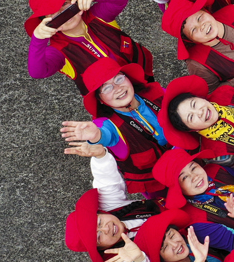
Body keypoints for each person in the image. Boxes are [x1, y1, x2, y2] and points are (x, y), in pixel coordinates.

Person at [59, 59, 168, 195]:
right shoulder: (109, 124)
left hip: (188, 163)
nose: (118, 88)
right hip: (159, 187)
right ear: (100, 100)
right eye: (107, 88)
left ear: (128, 78)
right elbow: (106, 134)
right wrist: (96, 136)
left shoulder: (158, 93)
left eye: (119, 79)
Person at [26, 0, 153, 95]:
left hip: (142, 74)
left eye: (64, 4)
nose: (62, 13)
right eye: (52, 13)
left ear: (76, 2)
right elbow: (38, 72)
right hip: (112, 97)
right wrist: (38, 39)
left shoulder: (98, 16)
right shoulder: (58, 50)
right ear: (44, 23)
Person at [63, 156, 160, 262]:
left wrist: (100, 156)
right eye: (99, 236)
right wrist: (138, 259)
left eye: (99, 222)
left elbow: (106, 181)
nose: (106, 228)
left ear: (100, 212)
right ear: (101, 248)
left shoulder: (110, 209)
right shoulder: (116, 257)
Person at [160, 0, 234, 92]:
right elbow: (212, 94)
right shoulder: (197, 63)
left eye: (199, 18)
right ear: (190, 40)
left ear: (205, 11)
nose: (202, 26)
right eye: (193, 30)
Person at [152, 147, 234, 227]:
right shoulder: (196, 219)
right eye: (184, 177)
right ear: (178, 189)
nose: (195, 177)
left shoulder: (215, 169)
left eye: (193, 168)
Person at [159, 75, 234, 159]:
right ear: (192, 130)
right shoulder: (219, 155)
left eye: (194, 104)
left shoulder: (224, 93)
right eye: (191, 117)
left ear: (199, 98)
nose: (200, 112)